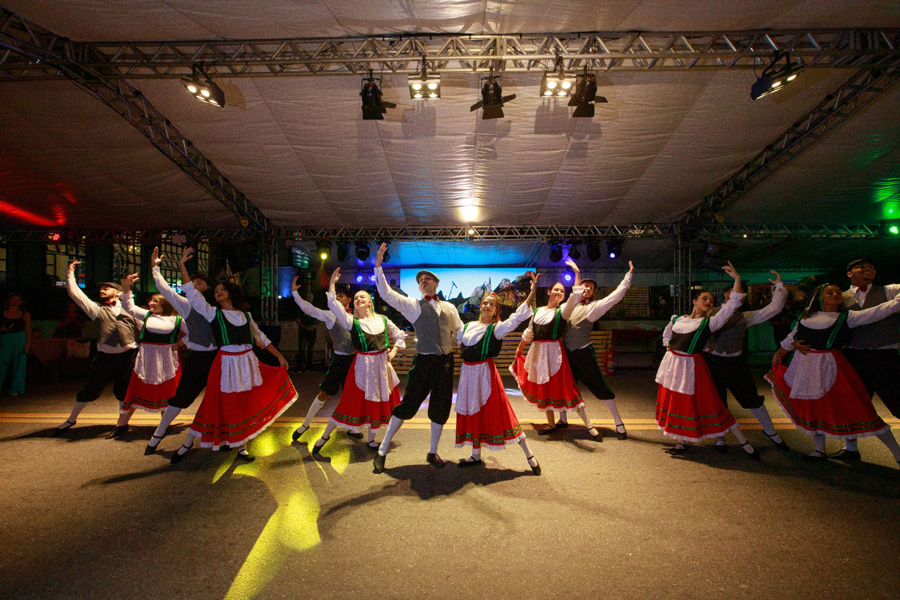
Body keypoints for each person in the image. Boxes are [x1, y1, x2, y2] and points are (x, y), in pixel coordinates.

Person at [170, 270, 296, 463]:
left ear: (231, 293)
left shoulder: (246, 316)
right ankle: (187, 443)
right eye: (216, 291)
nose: (218, 293)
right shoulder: (213, 313)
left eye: (223, 290)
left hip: (247, 362)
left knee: (243, 403)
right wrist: (182, 267)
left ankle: (241, 446)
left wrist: (279, 355)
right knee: (213, 403)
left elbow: (261, 337)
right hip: (225, 363)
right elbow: (193, 295)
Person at [767, 283, 900, 466]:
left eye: (838, 292)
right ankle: (819, 450)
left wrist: (896, 302)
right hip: (806, 367)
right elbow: (792, 336)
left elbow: (877, 312)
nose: (835, 294)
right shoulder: (806, 316)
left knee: (860, 409)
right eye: (830, 292)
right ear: (819, 297)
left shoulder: (847, 317)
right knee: (814, 408)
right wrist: (780, 353)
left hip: (833, 368)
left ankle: (898, 454)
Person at [373, 243, 463, 473]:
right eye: (420, 280)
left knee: (441, 408)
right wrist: (378, 266)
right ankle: (382, 449)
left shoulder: (450, 308)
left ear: (436, 283)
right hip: (424, 362)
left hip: (445, 363)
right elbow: (386, 294)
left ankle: (432, 452)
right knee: (408, 405)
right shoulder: (413, 305)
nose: (423, 281)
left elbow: (460, 334)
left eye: (427, 278)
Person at [655, 262, 760, 459]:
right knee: (678, 403)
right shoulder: (677, 319)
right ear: (694, 301)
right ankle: (680, 441)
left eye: (712, 300)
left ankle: (744, 442)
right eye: (705, 298)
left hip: (692, 366)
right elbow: (667, 334)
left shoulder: (709, 323)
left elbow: (731, 307)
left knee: (711, 403)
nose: (709, 302)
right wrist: (668, 346)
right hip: (673, 365)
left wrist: (737, 279)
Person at [309, 268, 406, 453]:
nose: (358, 299)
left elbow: (399, 335)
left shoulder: (384, 320)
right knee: (349, 402)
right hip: (362, 366)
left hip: (381, 367)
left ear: (370, 302)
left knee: (377, 404)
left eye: (362, 297)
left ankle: (371, 439)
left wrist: (394, 351)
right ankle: (325, 436)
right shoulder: (351, 322)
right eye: (356, 298)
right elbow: (335, 307)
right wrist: (332, 284)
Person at [456, 272, 540, 474]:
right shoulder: (466, 327)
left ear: (495, 310)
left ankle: (529, 454)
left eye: (491, 304)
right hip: (467, 375)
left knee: (501, 412)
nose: (486, 306)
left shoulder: (496, 329)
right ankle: (476, 454)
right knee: (474, 412)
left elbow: (517, 317)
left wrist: (532, 292)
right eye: (484, 303)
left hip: (486, 375)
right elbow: (456, 339)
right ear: (480, 306)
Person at [701, 271, 789, 451]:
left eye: (736, 297)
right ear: (724, 300)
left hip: (735, 363)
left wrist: (779, 288)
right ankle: (720, 437)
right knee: (717, 400)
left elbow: (773, 309)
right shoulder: (710, 314)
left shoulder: (746, 317)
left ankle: (770, 431)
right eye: (728, 298)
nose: (732, 300)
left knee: (752, 398)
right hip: (712, 362)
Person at [146, 247, 220, 455]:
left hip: (219, 357)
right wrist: (155, 268)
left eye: (200, 283)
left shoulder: (220, 308)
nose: (195, 285)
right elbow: (166, 291)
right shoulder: (187, 305)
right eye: (193, 283)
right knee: (182, 397)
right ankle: (157, 435)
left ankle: (228, 439)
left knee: (223, 398)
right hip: (198, 358)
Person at [53, 261, 138, 437]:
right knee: (91, 389)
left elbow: (146, 324)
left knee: (123, 390)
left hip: (128, 356)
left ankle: (121, 425)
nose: (102, 290)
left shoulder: (130, 307)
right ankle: (72, 419)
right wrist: (70, 273)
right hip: (105, 356)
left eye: (106, 288)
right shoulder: (96, 309)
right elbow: (75, 294)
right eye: (101, 289)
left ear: (117, 292)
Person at [511, 278, 601, 441]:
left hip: (555, 354)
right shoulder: (537, 311)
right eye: (556, 290)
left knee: (568, 388)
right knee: (545, 389)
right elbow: (529, 331)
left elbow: (575, 296)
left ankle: (589, 425)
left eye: (562, 291)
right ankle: (551, 424)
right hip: (538, 353)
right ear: (549, 292)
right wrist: (520, 347)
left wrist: (576, 274)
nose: (559, 293)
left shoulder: (563, 311)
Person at [833, 258, 900, 460]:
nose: (868, 270)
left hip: (885, 355)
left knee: (897, 401)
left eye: (872, 267)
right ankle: (850, 448)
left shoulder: (888, 291)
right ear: (849, 273)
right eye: (862, 267)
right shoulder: (840, 297)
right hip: (854, 355)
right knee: (854, 403)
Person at [564, 259, 634, 439]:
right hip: (567, 354)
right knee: (565, 387)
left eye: (590, 288)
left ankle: (618, 422)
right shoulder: (567, 306)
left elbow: (616, 296)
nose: (587, 289)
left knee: (600, 387)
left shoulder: (594, 307)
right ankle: (562, 419)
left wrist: (628, 276)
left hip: (584, 353)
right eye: (584, 286)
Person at [113, 273, 186, 439]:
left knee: (167, 391)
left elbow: (193, 333)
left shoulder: (177, 320)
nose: (151, 303)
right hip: (146, 360)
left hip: (167, 360)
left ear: (165, 304)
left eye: (155, 301)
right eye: (151, 301)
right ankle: (121, 425)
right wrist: (127, 286)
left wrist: (179, 344)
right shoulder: (145, 315)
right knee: (134, 390)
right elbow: (128, 306)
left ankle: (163, 426)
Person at [290, 277, 362, 442]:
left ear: (349, 300)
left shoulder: (358, 317)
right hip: (339, 360)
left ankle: (352, 426)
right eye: (336, 295)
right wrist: (295, 293)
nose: (337, 298)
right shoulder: (330, 315)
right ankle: (306, 423)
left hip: (355, 361)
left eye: (341, 296)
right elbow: (309, 309)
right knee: (325, 392)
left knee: (353, 395)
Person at [0, 293, 31, 396]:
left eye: (18, 300)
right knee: (2, 364)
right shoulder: (3, 313)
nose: (16, 302)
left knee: (19, 364)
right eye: (14, 299)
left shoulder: (25, 314)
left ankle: (16, 389)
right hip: (5, 339)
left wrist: (27, 345)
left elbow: (28, 330)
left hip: (19, 338)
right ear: (8, 301)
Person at [295, 292, 318, 372]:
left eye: (310, 297)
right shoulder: (301, 307)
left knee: (310, 349)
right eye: (307, 297)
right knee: (302, 349)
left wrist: (314, 326)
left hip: (312, 331)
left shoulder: (314, 308)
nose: (309, 298)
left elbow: (318, 319)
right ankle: (299, 367)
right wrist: (305, 327)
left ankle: (309, 367)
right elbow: (298, 320)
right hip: (303, 331)